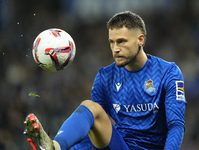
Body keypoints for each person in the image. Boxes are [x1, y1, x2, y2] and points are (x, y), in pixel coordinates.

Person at [24, 11, 186, 150]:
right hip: (120, 146)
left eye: (122, 41)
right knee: (90, 107)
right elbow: (92, 128)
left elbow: (176, 125)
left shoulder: (168, 72)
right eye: (112, 42)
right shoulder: (105, 76)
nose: (115, 48)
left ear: (140, 40)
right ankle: (55, 147)